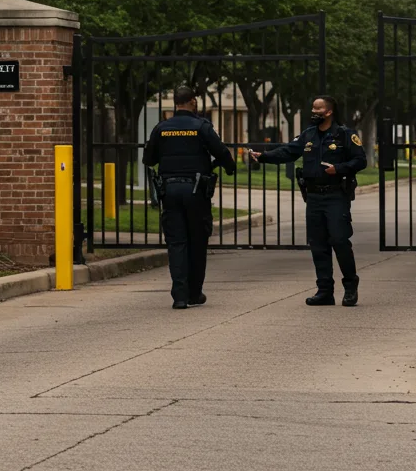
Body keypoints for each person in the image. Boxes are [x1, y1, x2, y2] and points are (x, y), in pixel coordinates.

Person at [249, 95, 367, 306]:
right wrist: (264, 156)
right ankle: (324, 291)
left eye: (318, 109)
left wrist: (338, 169)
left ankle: (350, 287)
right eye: (313, 108)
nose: (314, 113)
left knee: (339, 241)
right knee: (318, 244)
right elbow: (288, 152)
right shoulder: (308, 135)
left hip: (335, 195)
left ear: (329, 112)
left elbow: (360, 160)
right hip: (313, 197)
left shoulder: (344, 135)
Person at [142, 86, 236, 310]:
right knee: (197, 241)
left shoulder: (162, 128)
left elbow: (148, 158)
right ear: (193, 101)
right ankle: (195, 293)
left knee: (176, 243)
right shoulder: (202, 126)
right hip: (196, 191)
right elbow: (221, 152)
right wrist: (229, 167)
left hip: (170, 191)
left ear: (175, 102)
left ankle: (179, 296)